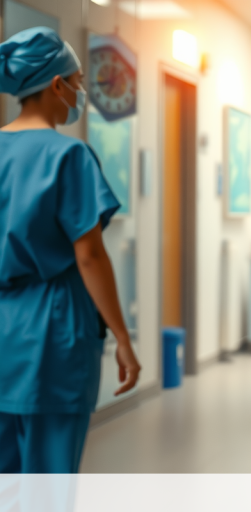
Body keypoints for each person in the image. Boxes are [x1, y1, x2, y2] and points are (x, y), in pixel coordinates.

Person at [0, 27, 141, 474]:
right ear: (57, 85)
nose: (80, 93)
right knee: (48, 482)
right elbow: (89, 256)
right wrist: (122, 335)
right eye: (78, 82)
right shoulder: (69, 156)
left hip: (4, 329)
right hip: (53, 331)